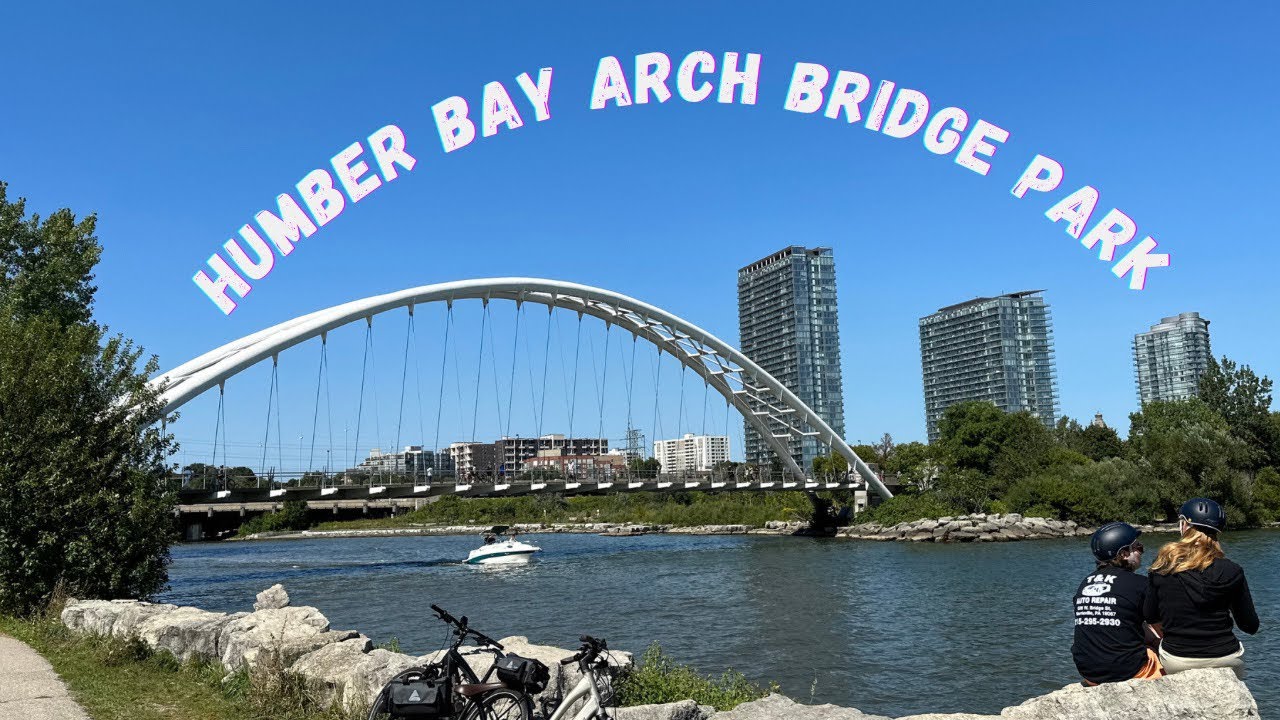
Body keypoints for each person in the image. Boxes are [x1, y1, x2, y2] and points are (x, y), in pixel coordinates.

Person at [1145, 497, 1259, 679]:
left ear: (1185, 526)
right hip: (1226, 658)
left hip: (1177, 658)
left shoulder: (1162, 566)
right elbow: (1250, 626)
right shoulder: (1232, 570)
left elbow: (1150, 615)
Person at [1071, 521, 1164, 685]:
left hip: (1088, 672)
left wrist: (1153, 640)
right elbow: (1161, 628)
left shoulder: (1085, 583)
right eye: (1138, 547)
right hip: (1127, 671)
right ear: (1123, 554)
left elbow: (1119, 618)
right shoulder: (1140, 584)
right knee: (1163, 659)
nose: (1141, 552)